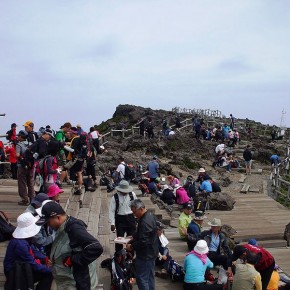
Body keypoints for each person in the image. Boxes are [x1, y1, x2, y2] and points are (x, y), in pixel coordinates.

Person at [36, 201, 104, 290]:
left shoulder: (74, 229)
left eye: (49, 222)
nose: (48, 225)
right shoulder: (62, 227)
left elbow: (95, 248)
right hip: (66, 281)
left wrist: (72, 260)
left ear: (58, 218)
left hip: (77, 282)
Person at [3, 212, 53, 290]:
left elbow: (33, 250)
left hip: (23, 266)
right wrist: (52, 270)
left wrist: (45, 258)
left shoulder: (25, 240)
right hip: (16, 273)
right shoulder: (20, 245)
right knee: (48, 274)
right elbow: (33, 264)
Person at [126, 199, 158, 290]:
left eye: (134, 211)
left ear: (140, 209)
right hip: (152, 251)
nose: (134, 214)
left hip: (145, 254)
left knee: (142, 278)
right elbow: (144, 234)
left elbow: (144, 241)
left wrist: (131, 246)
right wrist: (134, 237)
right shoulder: (150, 215)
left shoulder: (144, 222)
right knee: (150, 276)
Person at [109, 180, 137, 251]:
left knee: (131, 238)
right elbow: (111, 211)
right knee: (119, 239)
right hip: (120, 219)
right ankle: (118, 255)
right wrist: (112, 223)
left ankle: (129, 255)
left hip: (130, 218)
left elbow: (137, 206)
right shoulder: (115, 197)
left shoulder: (132, 195)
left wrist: (137, 218)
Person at [15, 130, 35, 206]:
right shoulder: (31, 144)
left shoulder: (19, 145)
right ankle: (32, 199)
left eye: (18, 136)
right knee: (30, 182)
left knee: (22, 182)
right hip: (30, 166)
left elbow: (17, 155)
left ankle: (25, 199)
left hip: (22, 166)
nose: (17, 137)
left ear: (21, 137)